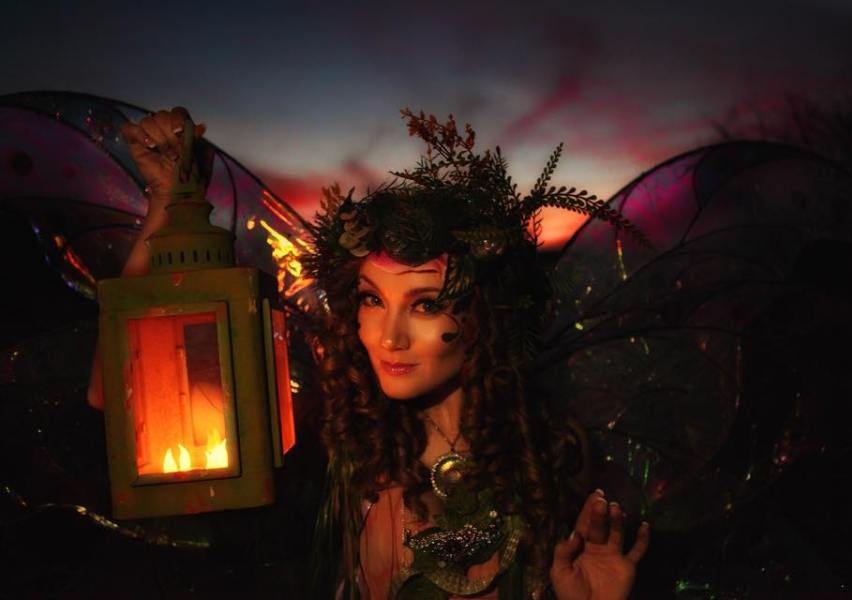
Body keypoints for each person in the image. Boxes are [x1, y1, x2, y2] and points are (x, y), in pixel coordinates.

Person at [91, 107, 650, 599]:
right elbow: (123, 391)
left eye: (427, 304)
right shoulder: (333, 448)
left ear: (486, 314)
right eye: (372, 299)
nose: (390, 336)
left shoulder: (549, 452)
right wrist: (166, 205)